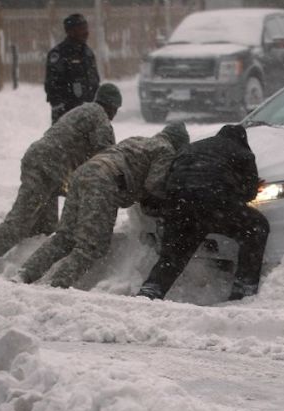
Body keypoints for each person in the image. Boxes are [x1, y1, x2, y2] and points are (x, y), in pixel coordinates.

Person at [16, 122, 190, 288]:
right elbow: (154, 185)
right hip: (105, 182)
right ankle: (56, 284)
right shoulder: (165, 150)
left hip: (82, 173)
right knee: (92, 246)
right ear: (179, 144)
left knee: (64, 236)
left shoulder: (137, 139)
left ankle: (24, 274)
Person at [0, 84, 122, 269]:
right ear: (112, 106)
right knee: (19, 221)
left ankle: (21, 261)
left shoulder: (84, 110)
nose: (114, 115)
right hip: (46, 168)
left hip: (46, 166)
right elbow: (105, 154)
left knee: (45, 228)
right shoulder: (99, 117)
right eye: (115, 110)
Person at [138, 125, 269, 302]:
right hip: (214, 203)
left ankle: (152, 289)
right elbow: (249, 194)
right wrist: (244, 186)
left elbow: (170, 179)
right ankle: (244, 288)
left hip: (178, 203)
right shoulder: (243, 153)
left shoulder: (188, 148)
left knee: (174, 254)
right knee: (257, 225)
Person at [45, 13, 100, 124]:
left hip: (88, 113)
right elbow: (52, 85)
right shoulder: (59, 54)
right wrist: (62, 109)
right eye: (81, 29)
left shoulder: (88, 53)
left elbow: (94, 81)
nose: (86, 32)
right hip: (66, 115)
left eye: (86, 28)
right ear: (70, 31)